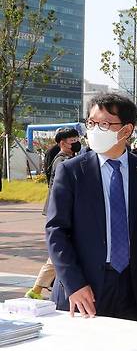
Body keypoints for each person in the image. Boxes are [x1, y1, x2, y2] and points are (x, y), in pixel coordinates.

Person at [45, 92, 137, 323]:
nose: (95, 130)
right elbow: (56, 231)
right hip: (85, 288)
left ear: (126, 130)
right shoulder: (72, 171)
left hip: (135, 288)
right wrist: (74, 283)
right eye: (91, 123)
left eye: (104, 124)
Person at [26, 128, 81, 300]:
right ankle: (36, 289)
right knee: (59, 252)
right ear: (62, 143)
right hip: (62, 212)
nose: (76, 142)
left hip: (66, 211)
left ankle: (42, 288)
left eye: (76, 138)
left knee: (62, 251)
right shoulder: (62, 162)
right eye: (72, 140)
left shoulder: (69, 159)